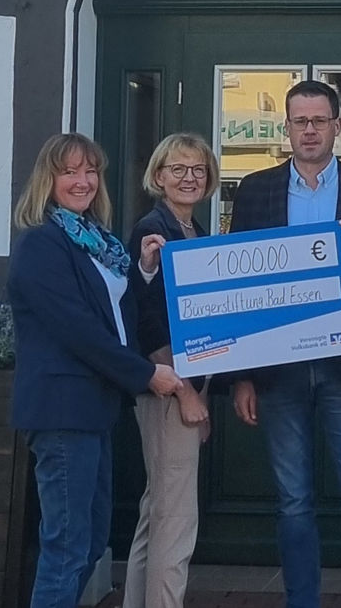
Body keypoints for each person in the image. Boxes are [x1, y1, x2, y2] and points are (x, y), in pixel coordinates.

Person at [229, 80, 341, 608]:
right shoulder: (257, 189)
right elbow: (239, 293)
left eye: (319, 121)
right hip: (278, 373)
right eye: (299, 121)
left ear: (337, 126)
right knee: (292, 503)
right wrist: (240, 373)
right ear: (286, 128)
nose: (309, 130)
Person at [8, 133, 184, 608]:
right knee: (66, 548)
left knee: (89, 541)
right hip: (63, 411)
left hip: (96, 409)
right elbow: (80, 330)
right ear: (49, 180)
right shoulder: (42, 245)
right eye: (70, 172)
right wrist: (147, 375)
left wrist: (144, 270)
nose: (82, 181)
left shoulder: (97, 244)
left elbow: (116, 316)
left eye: (90, 171)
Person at [121, 132, 221, 608]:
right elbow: (145, 320)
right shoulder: (152, 230)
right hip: (165, 392)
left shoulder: (194, 231)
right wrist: (186, 393)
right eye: (178, 169)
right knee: (176, 519)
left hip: (184, 390)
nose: (189, 177)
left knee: (157, 511)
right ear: (158, 176)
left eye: (198, 169)